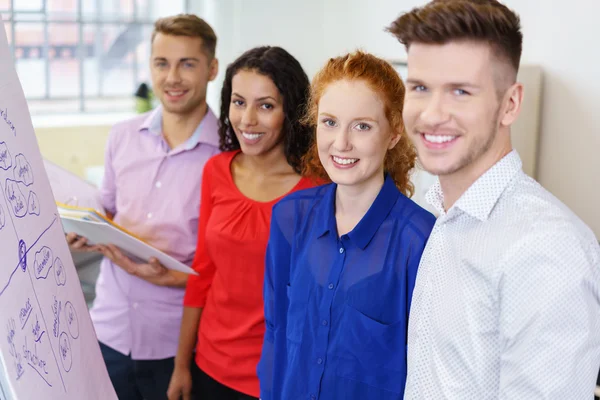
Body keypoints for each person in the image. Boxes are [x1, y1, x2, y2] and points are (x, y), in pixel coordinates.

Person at [388, 1, 600, 398]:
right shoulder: (441, 213)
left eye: (460, 91)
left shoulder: (546, 248)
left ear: (510, 104)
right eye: (419, 88)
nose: (432, 114)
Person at [257, 51, 436, 400]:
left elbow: (426, 370)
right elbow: (276, 334)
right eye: (330, 122)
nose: (341, 143)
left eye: (362, 126)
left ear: (394, 133)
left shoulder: (421, 240)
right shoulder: (289, 218)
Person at [66, 14, 220, 400]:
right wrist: (83, 229)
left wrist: (177, 276)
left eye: (187, 64)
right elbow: (107, 210)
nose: (173, 78)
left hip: (175, 345)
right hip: (108, 330)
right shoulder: (122, 137)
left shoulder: (226, 157)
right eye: (161, 63)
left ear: (212, 69)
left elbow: (224, 266)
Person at [166, 46, 314, 400]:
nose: (247, 119)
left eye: (266, 105)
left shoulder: (318, 190)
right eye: (238, 102)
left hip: (276, 377)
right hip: (209, 365)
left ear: (290, 112)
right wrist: (181, 365)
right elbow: (202, 273)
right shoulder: (216, 171)